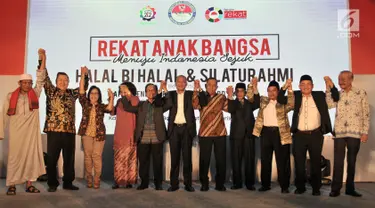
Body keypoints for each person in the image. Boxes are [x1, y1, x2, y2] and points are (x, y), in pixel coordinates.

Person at [278, 75, 339, 196]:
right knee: (299, 163)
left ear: (312, 86)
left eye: (308, 84)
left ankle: (316, 188)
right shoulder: (295, 96)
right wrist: (285, 86)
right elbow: (280, 99)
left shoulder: (319, 95)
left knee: (316, 163)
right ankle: (300, 187)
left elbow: (336, 98)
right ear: (299, 86)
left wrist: (331, 85)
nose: (306, 86)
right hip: (299, 135)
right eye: (303, 84)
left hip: (315, 134)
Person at [0, 49, 46, 195]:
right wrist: (1, 131)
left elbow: (41, 78)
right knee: (14, 159)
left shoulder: (35, 94)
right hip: (16, 133)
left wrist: (42, 58)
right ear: (20, 83)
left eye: (29, 82)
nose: (27, 85)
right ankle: (12, 184)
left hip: (31, 134)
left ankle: (29, 184)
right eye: (24, 82)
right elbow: (3, 114)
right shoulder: (10, 96)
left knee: (30, 159)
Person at [43, 57, 88, 192]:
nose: (63, 82)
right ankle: (52, 183)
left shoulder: (71, 93)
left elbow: (82, 90)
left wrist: (83, 75)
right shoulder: (51, 91)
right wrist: (44, 59)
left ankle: (68, 182)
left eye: (65, 80)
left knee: (69, 158)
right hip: (54, 130)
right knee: (52, 159)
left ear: (68, 82)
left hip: (69, 131)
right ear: (56, 82)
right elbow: (44, 76)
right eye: (60, 80)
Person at [325, 72, 370, 197]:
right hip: (339, 132)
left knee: (352, 162)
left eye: (344, 79)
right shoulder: (337, 94)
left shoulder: (360, 93)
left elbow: (366, 113)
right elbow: (329, 105)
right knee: (338, 162)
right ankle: (335, 189)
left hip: (355, 132)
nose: (341, 81)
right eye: (339, 79)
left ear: (351, 79)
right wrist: (328, 87)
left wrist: (365, 132)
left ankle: (350, 188)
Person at [121, 82, 169, 190]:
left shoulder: (160, 105)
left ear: (156, 92)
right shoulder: (141, 105)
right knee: (143, 162)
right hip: (143, 138)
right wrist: (124, 94)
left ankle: (158, 184)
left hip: (157, 137)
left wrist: (165, 89)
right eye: (149, 90)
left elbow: (169, 103)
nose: (151, 92)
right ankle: (144, 183)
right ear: (146, 93)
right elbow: (128, 107)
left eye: (153, 90)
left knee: (158, 162)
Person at [164, 75, 205, 192]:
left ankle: (188, 184)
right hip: (174, 129)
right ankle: (174, 184)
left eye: (183, 82)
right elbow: (162, 103)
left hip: (187, 129)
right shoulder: (170, 94)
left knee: (187, 159)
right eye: (178, 82)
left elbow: (200, 103)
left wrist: (198, 88)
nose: (181, 84)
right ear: (175, 83)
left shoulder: (190, 94)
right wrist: (164, 89)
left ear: (186, 84)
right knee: (174, 159)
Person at [253, 79, 294, 194]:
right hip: (265, 133)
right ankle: (265, 185)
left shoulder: (283, 103)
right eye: (269, 91)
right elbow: (253, 98)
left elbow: (292, 104)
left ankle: (284, 186)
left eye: (274, 91)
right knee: (266, 160)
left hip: (279, 133)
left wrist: (289, 89)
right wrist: (254, 86)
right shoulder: (263, 101)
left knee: (282, 161)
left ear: (278, 92)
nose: (271, 93)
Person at [77, 66, 114, 189]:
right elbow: (81, 91)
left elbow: (110, 108)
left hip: (99, 135)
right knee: (88, 156)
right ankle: (89, 178)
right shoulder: (85, 103)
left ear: (99, 95)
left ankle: (97, 179)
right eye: (92, 93)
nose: (93, 95)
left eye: (96, 93)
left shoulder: (101, 106)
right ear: (89, 95)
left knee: (96, 156)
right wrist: (83, 75)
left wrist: (112, 98)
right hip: (86, 134)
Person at [193, 78, 229, 192]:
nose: (212, 87)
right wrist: (196, 90)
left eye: (214, 85)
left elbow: (229, 108)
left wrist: (230, 95)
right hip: (205, 133)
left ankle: (220, 184)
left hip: (220, 132)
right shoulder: (201, 97)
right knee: (204, 160)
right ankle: (204, 184)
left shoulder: (221, 97)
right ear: (206, 86)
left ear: (217, 87)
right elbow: (194, 105)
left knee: (221, 160)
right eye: (209, 85)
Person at [226, 79, 260, 191]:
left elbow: (257, 102)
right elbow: (230, 109)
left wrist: (255, 86)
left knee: (249, 161)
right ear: (235, 92)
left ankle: (249, 183)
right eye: (238, 91)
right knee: (236, 160)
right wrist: (230, 96)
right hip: (236, 136)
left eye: (242, 91)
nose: (240, 93)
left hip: (249, 136)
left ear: (245, 92)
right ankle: (237, 183)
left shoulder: (250, 103)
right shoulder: (232, 103)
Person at [111, 82, 139, 189]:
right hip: (119, 132)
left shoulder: (135, 99)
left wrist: (125, 96)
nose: (123, 93)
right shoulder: (119, 101)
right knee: (119, 159)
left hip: (130, 132)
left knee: (130, 159)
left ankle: (128, 181)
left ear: (131, 90)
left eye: (125, 90)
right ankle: (118, 181)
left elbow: (128, 107)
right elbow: (112, 112)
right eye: (121, 91)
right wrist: (112, 99)